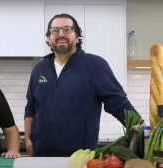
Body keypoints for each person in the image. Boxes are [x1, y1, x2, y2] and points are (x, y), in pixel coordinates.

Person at [24, 13, 141, 157]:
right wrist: (28, 140)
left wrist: (143, 131)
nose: (61, 34)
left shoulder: (95, 66)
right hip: (40, 155)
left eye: (67, 29)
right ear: (49, 38)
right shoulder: (40, 69)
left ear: (77, 36)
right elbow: (31, 107)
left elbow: (119, 104)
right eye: (55, 30)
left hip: (80, 158)